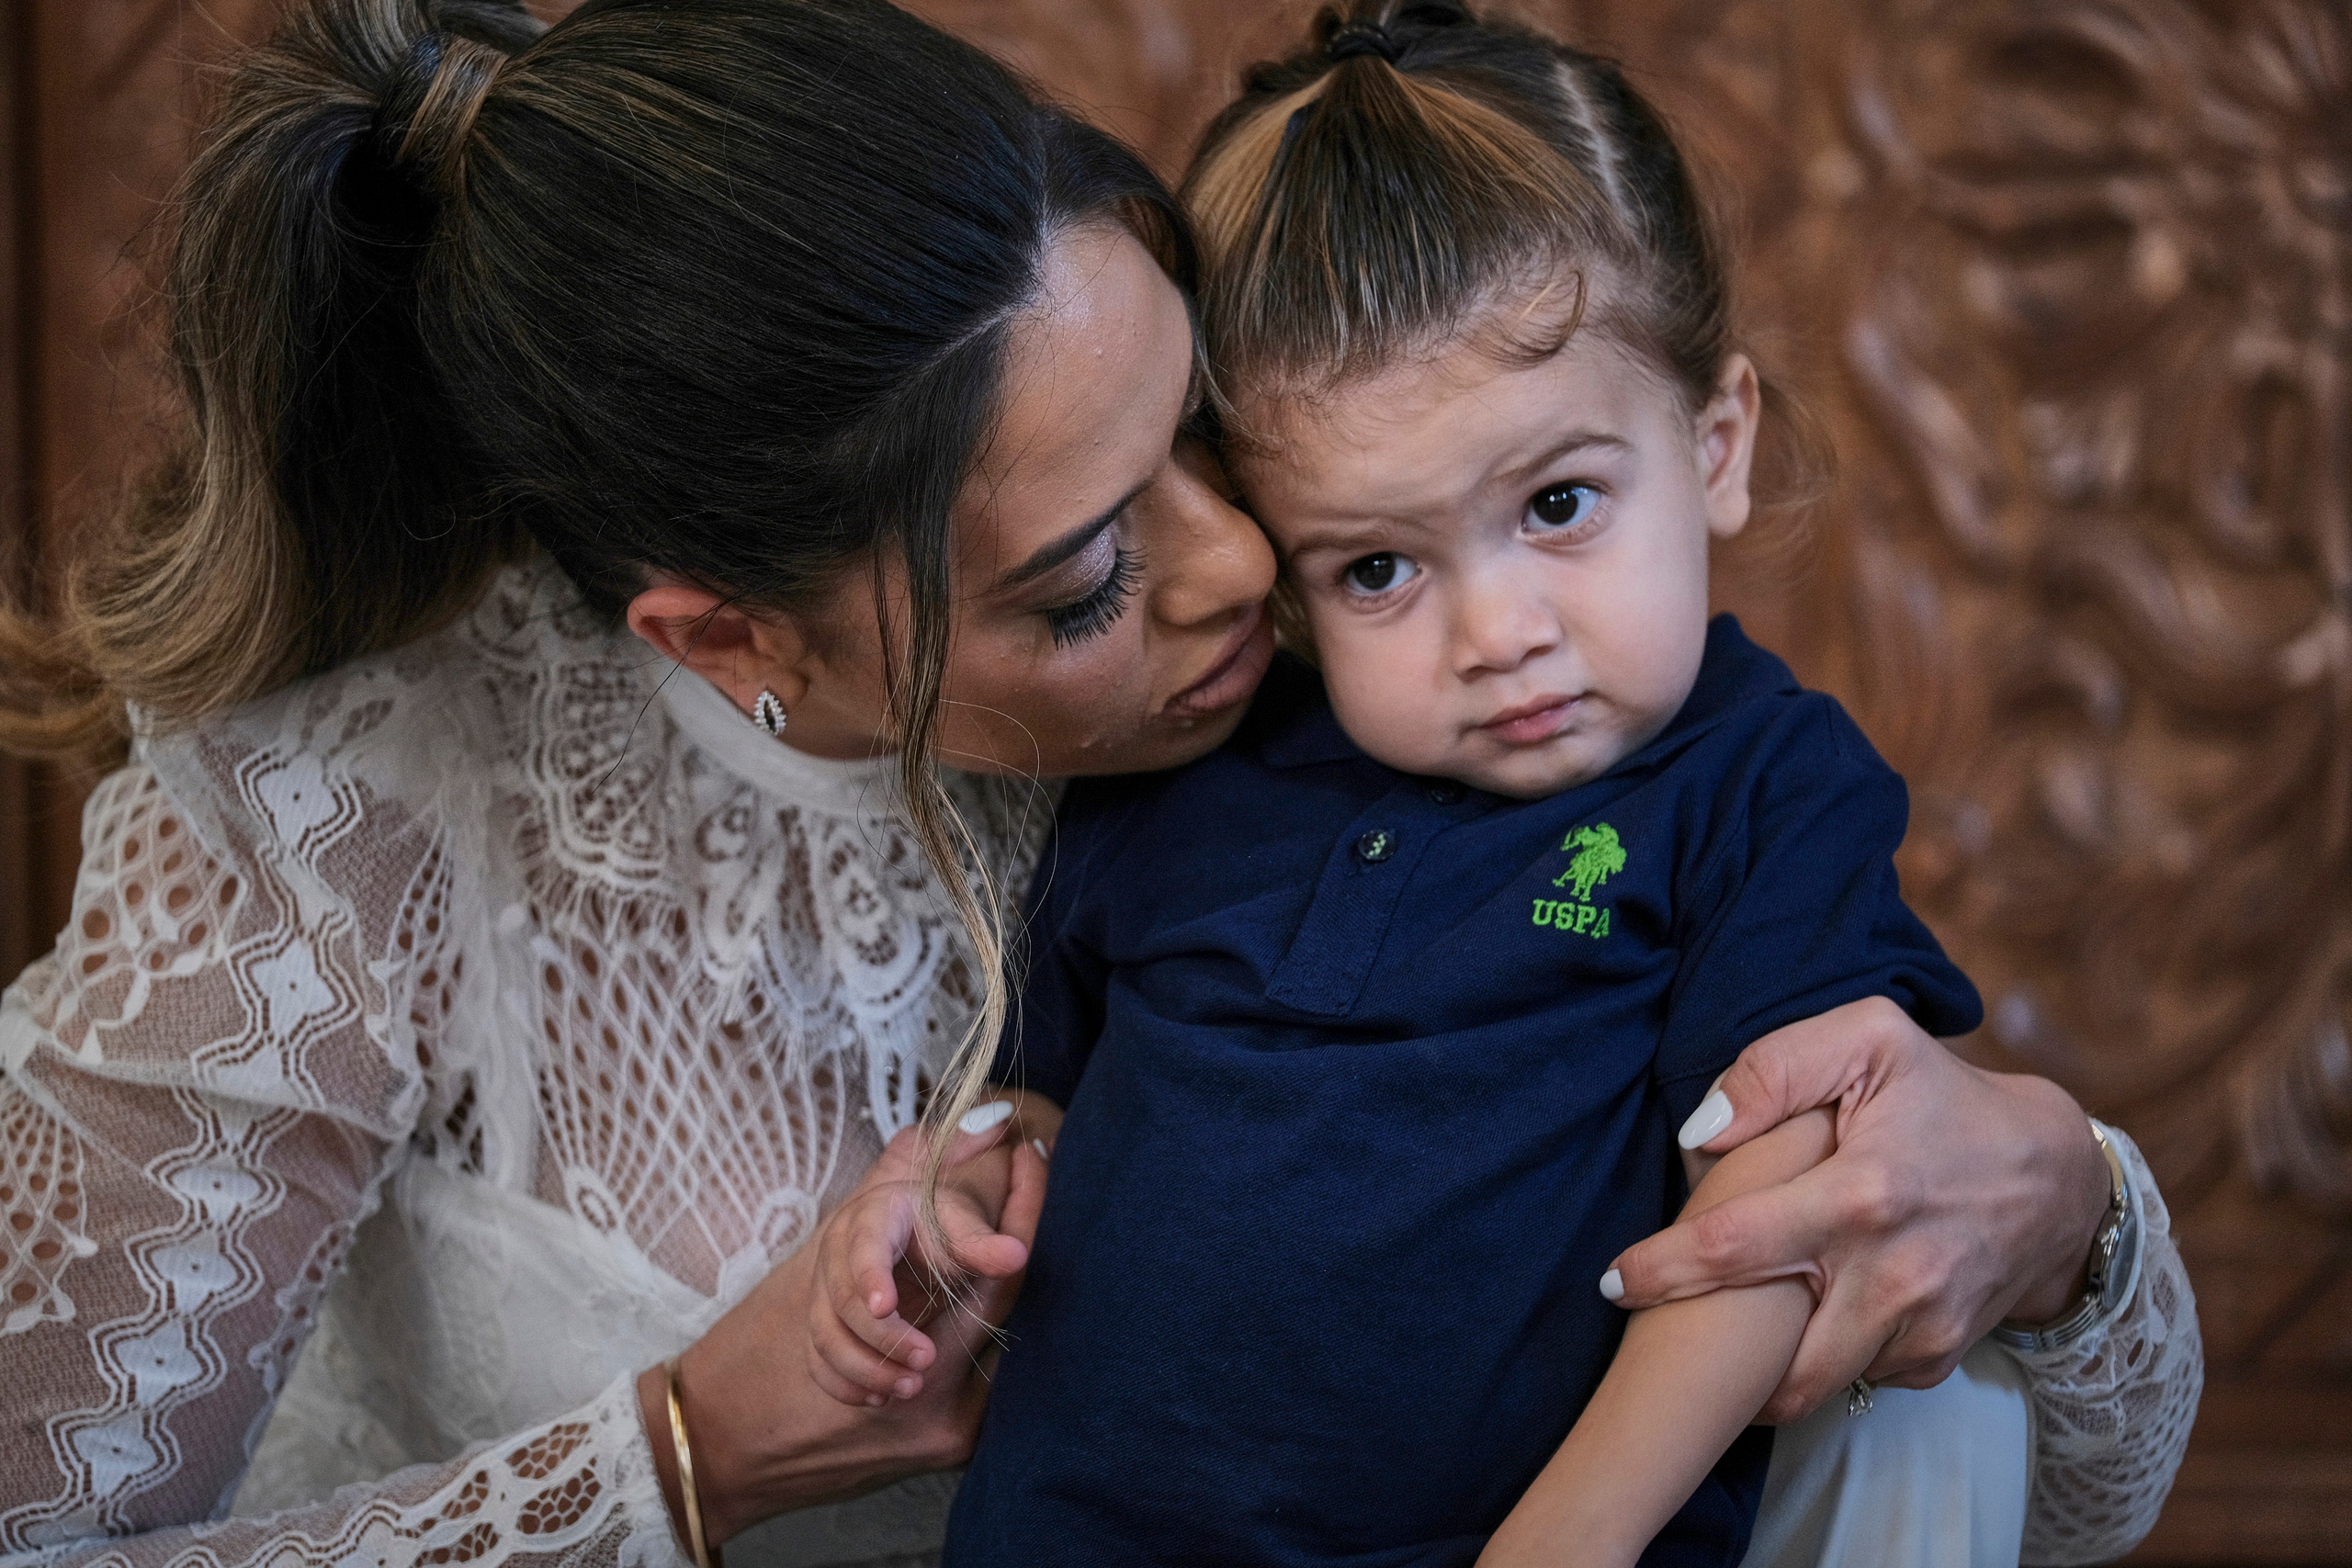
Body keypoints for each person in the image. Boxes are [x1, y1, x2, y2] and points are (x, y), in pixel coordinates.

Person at [0, 2, 2196, 1567]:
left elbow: (2017, 1476)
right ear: (731, 640)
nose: (1249, 575)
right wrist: (681, 1457)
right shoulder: (312, 854)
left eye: (1203, 438)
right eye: (1078, 580)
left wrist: (2054, 1208)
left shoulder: (1406, 691)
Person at [806, 7, 2017, 1563]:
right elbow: (1031, 1098)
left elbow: (1771, 1214)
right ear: (1289, 570)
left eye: (1560, 503)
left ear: (1716, 442)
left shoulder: (1761, 783)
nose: (1497, 633)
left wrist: (1568, 1544)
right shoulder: (1184, 771)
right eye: (1378, 565)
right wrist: (939, 1205)